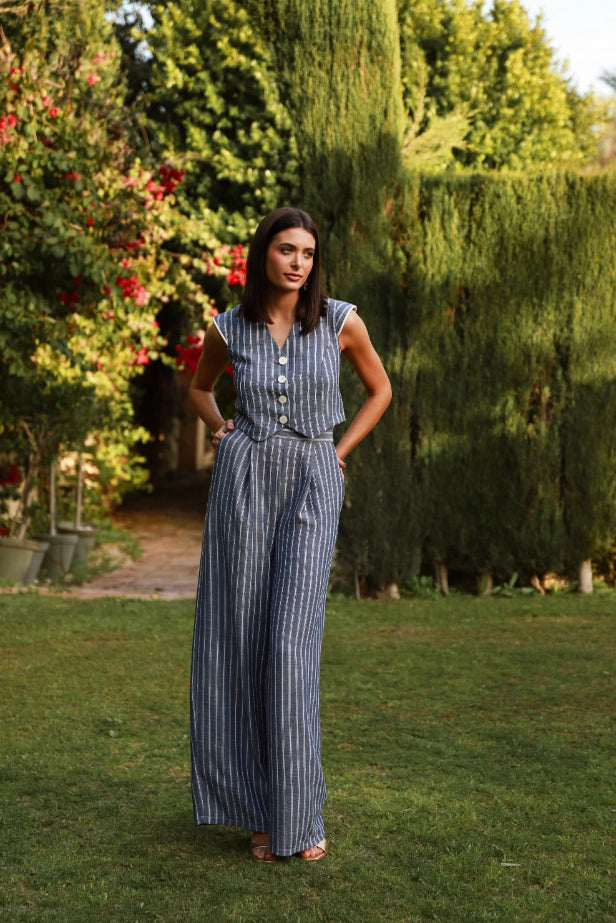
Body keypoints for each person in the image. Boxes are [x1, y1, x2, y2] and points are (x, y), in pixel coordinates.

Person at [189, 206, 391, 862]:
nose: (298, 262)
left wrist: (339, 452)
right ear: (264, 255)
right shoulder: (228, 327)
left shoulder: (338, 320)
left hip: (312, 479)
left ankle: (301, 815)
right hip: (245, 484)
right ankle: (259, 811)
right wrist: (221, 428)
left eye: (307, 252)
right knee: (243, 642)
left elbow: (380, 390)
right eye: (286, 250)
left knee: (290, 645)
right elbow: (199, 389)